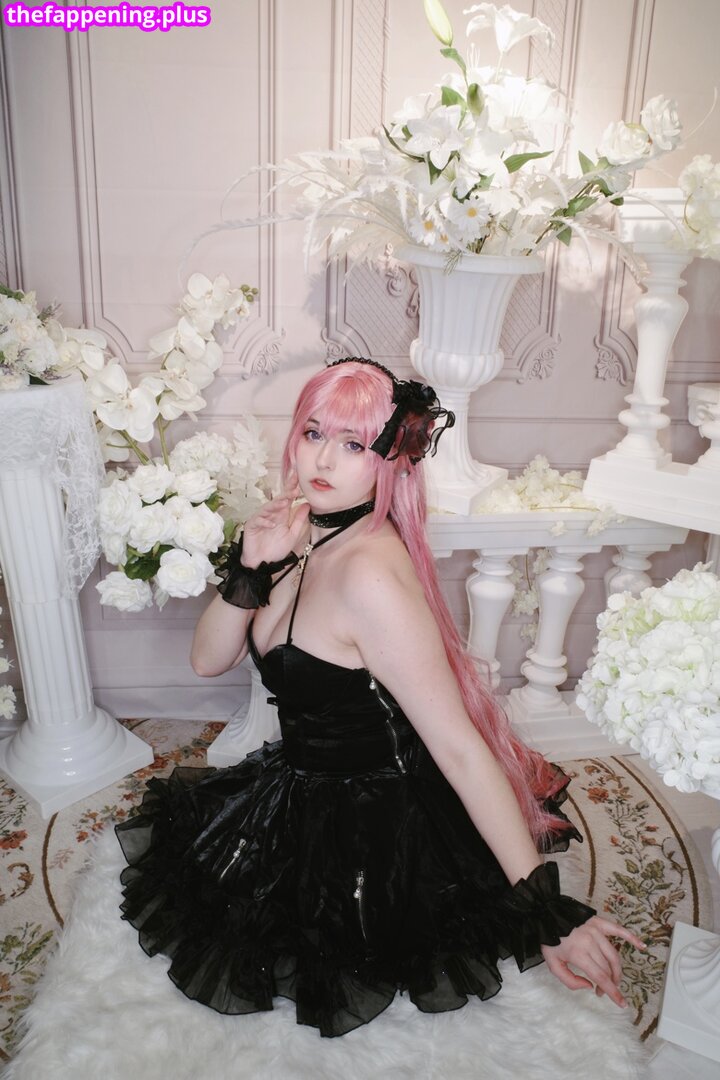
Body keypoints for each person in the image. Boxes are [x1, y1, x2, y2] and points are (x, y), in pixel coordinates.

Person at [115, 357, 645, 1038]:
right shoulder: (303, 530)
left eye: (353, 444)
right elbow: (207, 659)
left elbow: (458, 746)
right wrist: (250, 563)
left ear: (391, 462)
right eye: (313, 433)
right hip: (298, 779)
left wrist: (546, 913)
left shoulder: (369, 575)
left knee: (330, 948)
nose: (322, 460)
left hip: (377, 813)